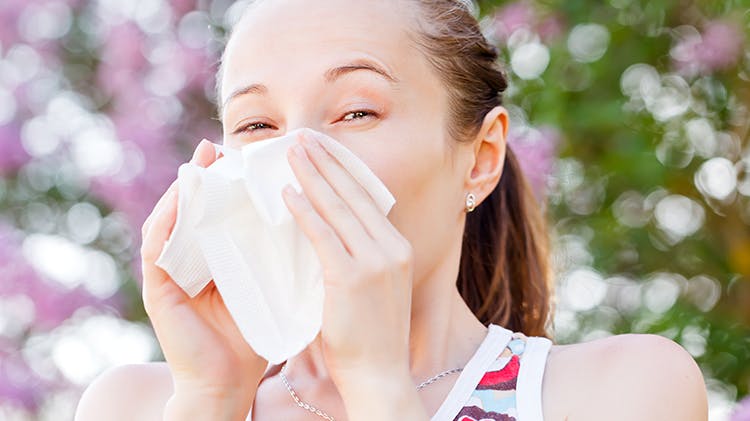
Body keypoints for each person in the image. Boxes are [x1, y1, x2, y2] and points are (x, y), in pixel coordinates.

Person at [75, 0, 709, 420]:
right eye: (258, 123)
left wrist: (377, 384)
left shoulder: (614, 392)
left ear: (481, 158)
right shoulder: (138, 404)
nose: (297, 154)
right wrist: (212, 398)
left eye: (357, 112)